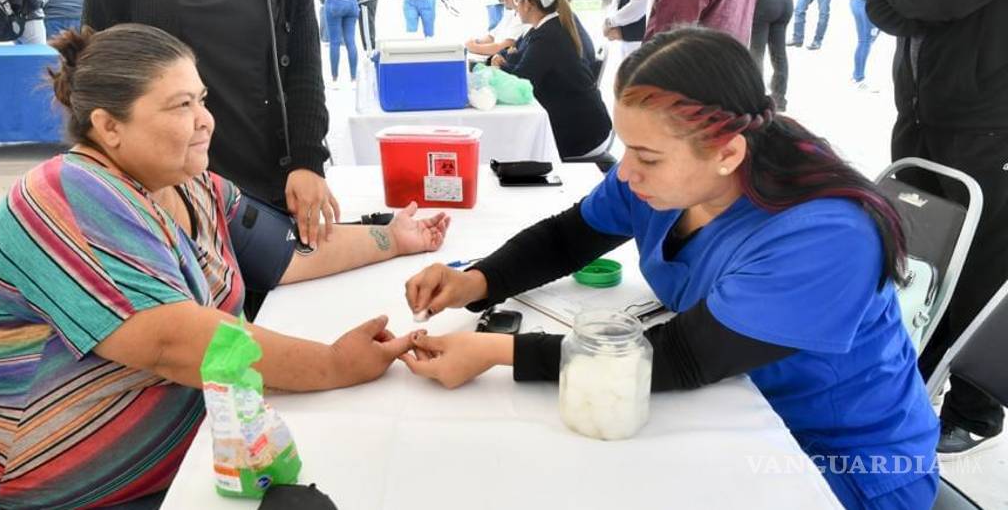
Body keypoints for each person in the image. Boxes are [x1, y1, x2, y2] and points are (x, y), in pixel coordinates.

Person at [401, 27, 941, 510]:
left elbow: (682, 357)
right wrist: (478, 280)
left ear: (727, 154)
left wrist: (494, 352)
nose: (627, 172)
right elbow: (572, 235)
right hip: (734, 412)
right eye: (628, 148)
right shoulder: (667, 169)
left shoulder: (827, 236)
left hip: (842, 464)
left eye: (647, 157)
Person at [0, 23, 449, 509]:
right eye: (181, 105)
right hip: (60, 491)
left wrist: (394, 239)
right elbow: (174, 342)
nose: (205, 119)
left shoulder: (189, 183)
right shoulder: (67, 196)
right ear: (109, 126)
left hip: (189, 458)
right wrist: (334, 364)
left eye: (202, 98)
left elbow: (284, 254)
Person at [83, 0, 339, 248]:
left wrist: (308, 162)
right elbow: (92, 69)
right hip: (155, 197)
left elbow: (306, 74)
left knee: (265, 307)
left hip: (262, 193)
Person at [866, 0, 1008, 459]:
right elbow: (880, 3)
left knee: (982, 263)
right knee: (919, 254)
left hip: (990, 113)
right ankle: (911, 382)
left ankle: (976, 406)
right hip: (919, 107)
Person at [500, 0, 612, 160]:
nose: (516, 7)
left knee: (512, 147)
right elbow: (520, 58)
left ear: (528, 4)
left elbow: (522, 82)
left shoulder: (548, 36)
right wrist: (505, 61)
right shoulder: (548, 28)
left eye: (518, 0)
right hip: (586, 126)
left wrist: (501, 66)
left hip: (583, 136)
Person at [466, 0, 533, 62]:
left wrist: (474, 47)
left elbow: (504, 46)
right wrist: (476, 42)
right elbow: (491, 37)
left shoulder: (523, 19)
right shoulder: (510, 13)